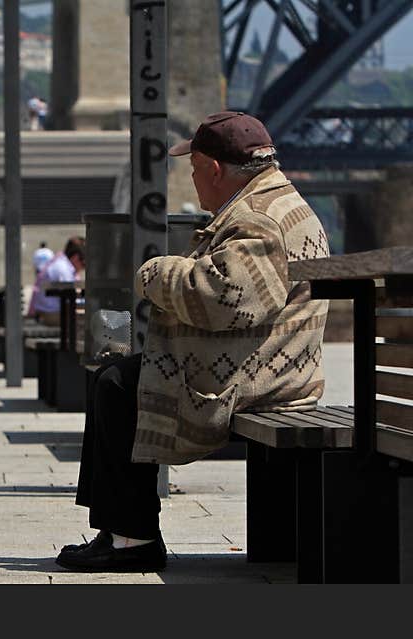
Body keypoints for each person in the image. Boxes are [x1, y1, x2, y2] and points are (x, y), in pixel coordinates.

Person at [55, 111, 330, 573]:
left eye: (195, 168)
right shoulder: (279, 203)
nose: (194, 180)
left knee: (118, 386)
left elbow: (225, 299)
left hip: (261, 379)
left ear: (215, 170)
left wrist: (156, 272)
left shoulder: (257, 219)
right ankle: (120, 531)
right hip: (274, 363)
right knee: (114, 376)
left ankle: (131, 538)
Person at [27, 237, 85, 327]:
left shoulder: (61, 263)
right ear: (75, 258)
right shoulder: (62, 268)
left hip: (48, 311)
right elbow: (70, 297)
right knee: (89, 320)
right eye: (84, 264)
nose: (82, 269)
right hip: (49, 314)